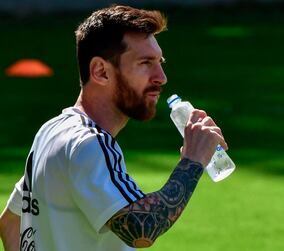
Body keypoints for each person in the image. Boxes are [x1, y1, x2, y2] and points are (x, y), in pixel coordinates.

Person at [0, 4, 228, 251]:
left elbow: (11, 222)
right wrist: (192, 162)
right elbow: (142, 228)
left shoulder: (51, 131)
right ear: (101, 72)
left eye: (159, 61)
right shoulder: (90, 143)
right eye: (145, 63)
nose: (161, 77)